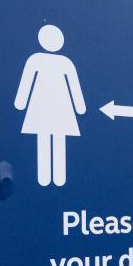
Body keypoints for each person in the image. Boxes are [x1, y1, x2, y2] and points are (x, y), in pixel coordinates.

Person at [14, 24, 86, 187]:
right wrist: (80, 108)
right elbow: (27, 81)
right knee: (46, 139)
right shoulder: (38, 60)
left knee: (53, 139)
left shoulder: (61, 62)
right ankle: (46, 178)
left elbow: (74, 85)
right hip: (48, 108)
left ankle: (55, 178)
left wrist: (21, 103)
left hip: (54, 108)